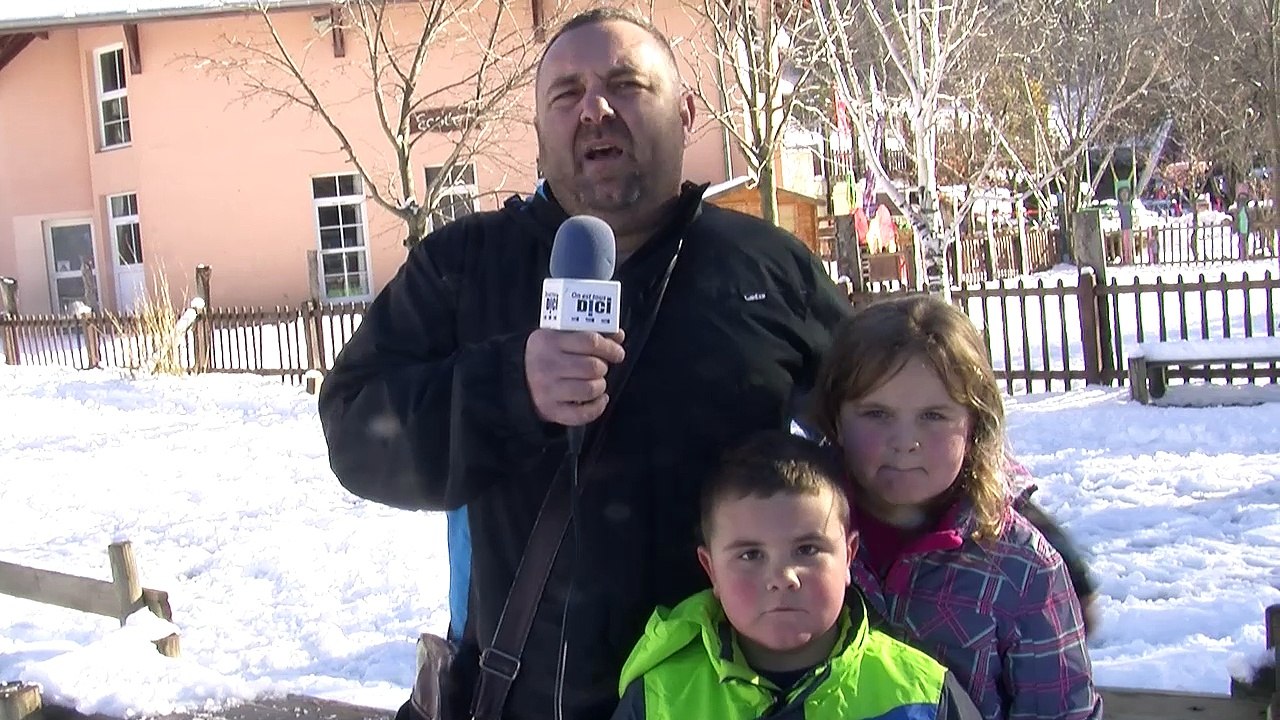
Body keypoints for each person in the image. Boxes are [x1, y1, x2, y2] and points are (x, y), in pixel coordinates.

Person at [316, 8, 852, 720]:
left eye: (627, 85)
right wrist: (509, 388)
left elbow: (881, 435)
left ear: (687, 113)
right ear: (539, 131)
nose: (595, 108)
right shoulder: (465, 266)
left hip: (725, 701)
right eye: (566, 94)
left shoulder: (768, 268)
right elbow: (356, 432)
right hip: (523, 698)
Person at [807, 296, 1102, 720]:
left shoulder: (1022, 569)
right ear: (835, 419)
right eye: (876, 413)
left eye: (933, 415)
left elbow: (1061, 712)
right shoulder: (798, 540)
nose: (905, 441)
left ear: (974, 423)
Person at [609, 431, 983, 720]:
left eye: (807, 549)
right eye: (750, 554)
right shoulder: (660, 698)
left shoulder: (921, 693)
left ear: (849, 556)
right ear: (712, 571)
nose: (783, 577)